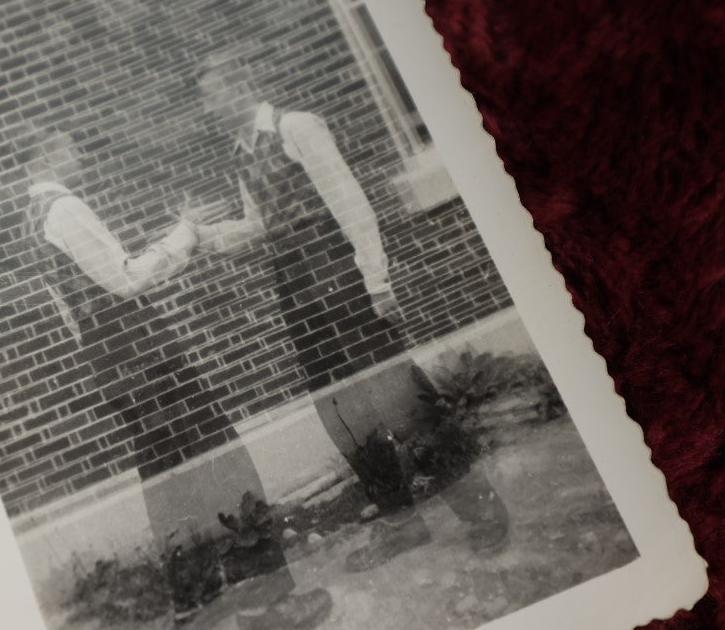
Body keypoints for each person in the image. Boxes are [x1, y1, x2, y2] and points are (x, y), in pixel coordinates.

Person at [194, 47, 510, 572]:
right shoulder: (239, 152)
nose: (208, 107)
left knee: (401, 398)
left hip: (340, 276)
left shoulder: (294, 128)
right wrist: (201, 236)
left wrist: (376, 278)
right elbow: (259, 223)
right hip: (295, 288)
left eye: (212, 94)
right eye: (204, 99)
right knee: (342, 410)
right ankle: (401, 521)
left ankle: (482, 512)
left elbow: (348, 200)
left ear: (240, 83)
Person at [22, 128, 332, 628]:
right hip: (149, 362)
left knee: (169, 487)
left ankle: (198, 607)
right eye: (69, 145)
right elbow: (126, 279)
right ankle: (274, 606)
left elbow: (80, 304)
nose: (78, 151)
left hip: (115, 371)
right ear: (47, 154)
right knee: (223, 465)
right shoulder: (64, 208)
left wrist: (161, 245)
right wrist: (184, 233)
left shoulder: (31, 218)